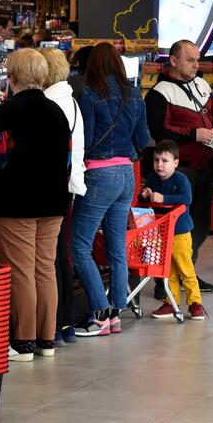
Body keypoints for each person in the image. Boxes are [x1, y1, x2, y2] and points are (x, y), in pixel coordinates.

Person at [0, 48, 71, 361]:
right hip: (53, 201)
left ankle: (22, 341)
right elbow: (66, 162)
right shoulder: (57, 113)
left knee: (20, 271)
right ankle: (46, 339)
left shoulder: (5, 113)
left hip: (16, 201)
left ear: (12, 78)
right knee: (44, 269)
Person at [71, 43, 151, 337]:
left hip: (99, 173)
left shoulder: (89, 95)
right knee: (117, 245)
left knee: (80, 246)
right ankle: (117, 311)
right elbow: (143, 138)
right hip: (126, 173)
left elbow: (87, 139)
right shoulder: (134, 95)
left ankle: (100, 313)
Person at [145, 40, 213, 294]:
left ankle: (187, 271)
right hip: (180, 170)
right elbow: (159, 131)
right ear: (174, 60)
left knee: (198, 224)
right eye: (190, 60)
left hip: (207, 165)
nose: (196, 65)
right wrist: (194, 134)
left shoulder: (202, 84)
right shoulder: (159, 93)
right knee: (174, 226)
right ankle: (165, 281)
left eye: (197, 60)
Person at [40, 48, 86, 346]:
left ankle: (54, 326)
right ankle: (65, 324)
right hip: (70, 185)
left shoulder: (49, 103)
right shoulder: (70, 100)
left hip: (52, 186)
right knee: (60, 258)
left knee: (49, 261)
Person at [142, 140, 206, 321]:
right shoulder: (152, 179)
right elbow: (145, 198)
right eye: (156, 160)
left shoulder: (180, 179)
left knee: (185, 268)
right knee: (167, 270)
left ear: (175, 163)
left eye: (165, 160)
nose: (159, 165)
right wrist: (145, 194)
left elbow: (187, 198)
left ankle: (195, 303)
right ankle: (171, 302)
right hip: (161, 231)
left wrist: (164, 198)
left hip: (180, 231)